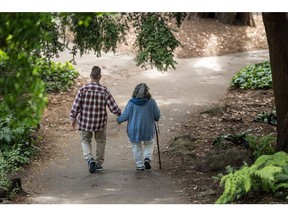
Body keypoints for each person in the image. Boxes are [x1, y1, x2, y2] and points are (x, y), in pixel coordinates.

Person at [70, 66, 121, 173]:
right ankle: (98, 163)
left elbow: (75, 106)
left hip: (85, 122)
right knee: (101, 141)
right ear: (100, 77)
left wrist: (73, 118)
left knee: (85, 140)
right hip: (100, 122)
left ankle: (89, 159)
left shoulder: (83, 89)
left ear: (90, 76)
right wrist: (120, 115)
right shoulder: (104, 90)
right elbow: (113, 107)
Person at [117, 83, 160, 171]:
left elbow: (125, 116)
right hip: (147, 129)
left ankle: (140, 165)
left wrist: (119, 119)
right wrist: (155, 117)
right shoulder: (151, 102)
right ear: (147, 92)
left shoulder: (131, 103)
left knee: (136, 146)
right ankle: (147, 158)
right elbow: (157, 115)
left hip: (134, 130)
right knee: (149, 143)